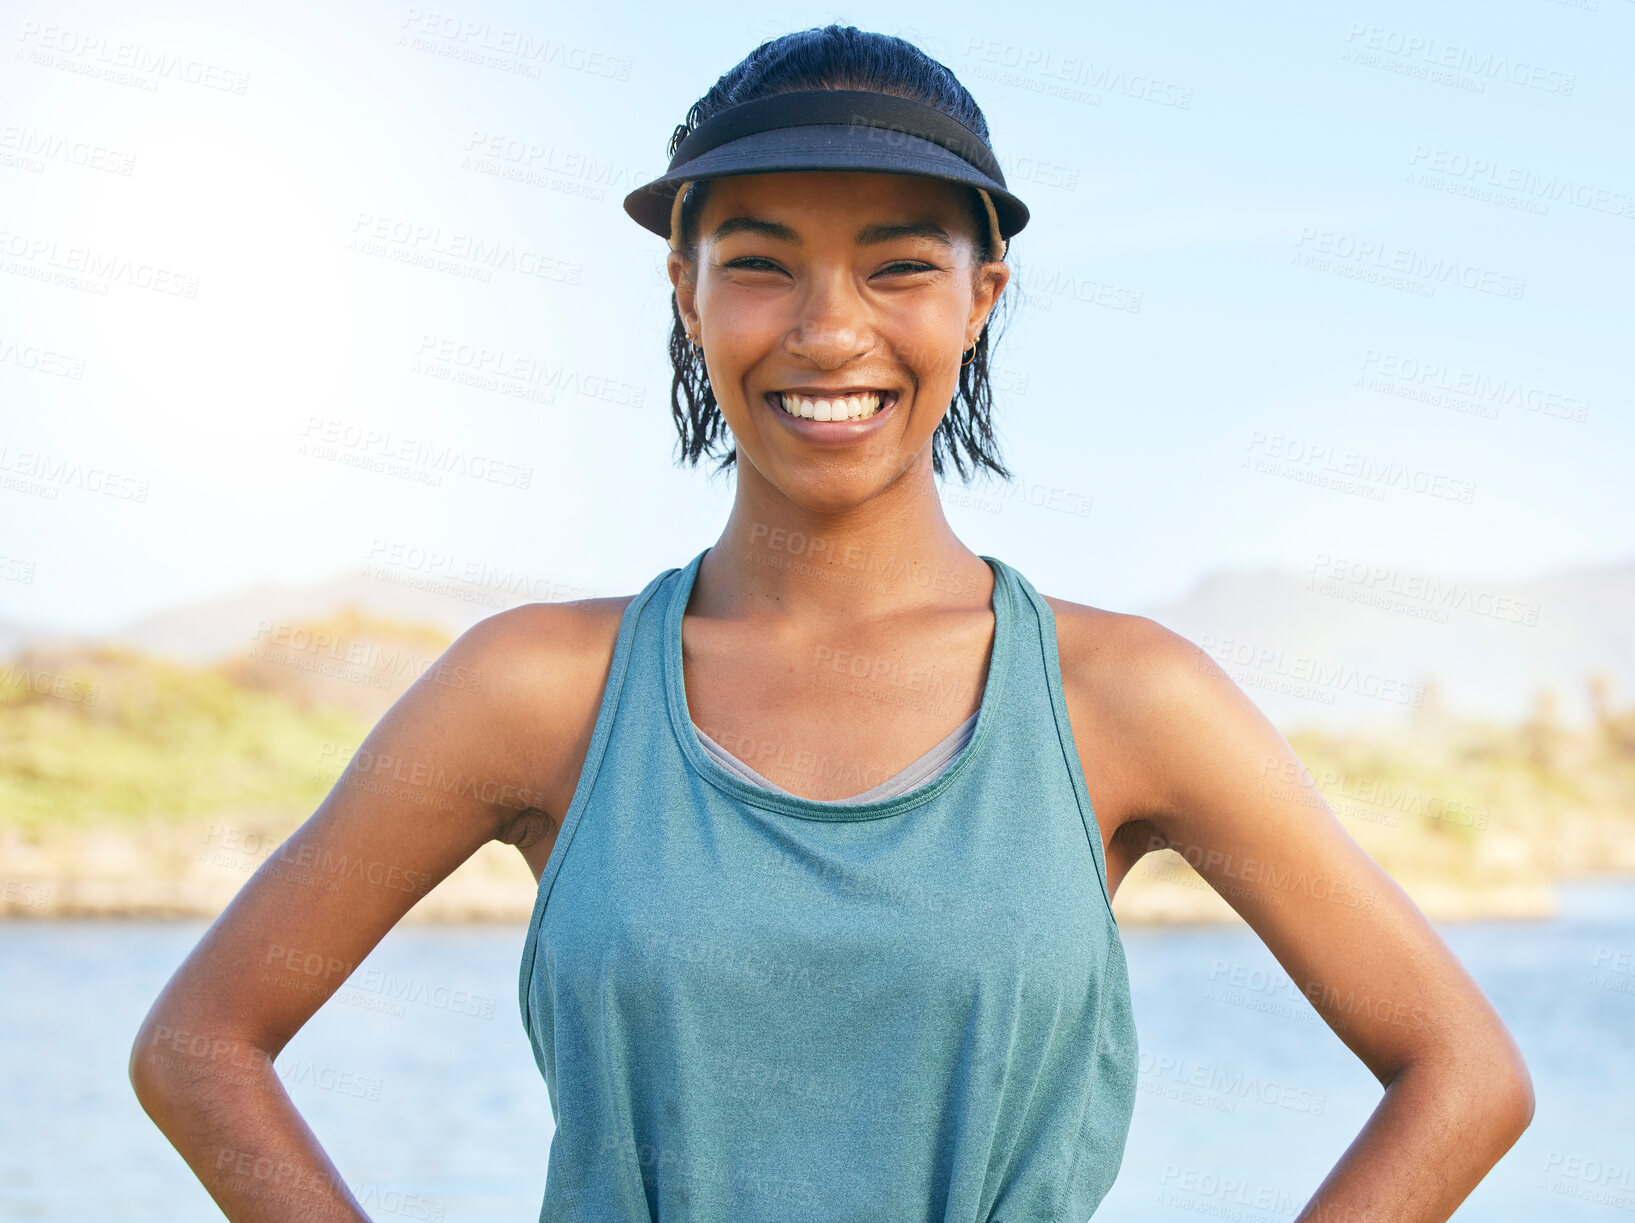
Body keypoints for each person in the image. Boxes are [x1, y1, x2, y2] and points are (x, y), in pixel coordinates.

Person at [130, 24, 1534, 1223]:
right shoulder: (538, 690)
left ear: (982, 297)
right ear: (683, 293)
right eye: (760, 262)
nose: (827, 328)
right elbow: (202, 1047)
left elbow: (1462, 1075)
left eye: (898, 265)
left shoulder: (1122, 699)